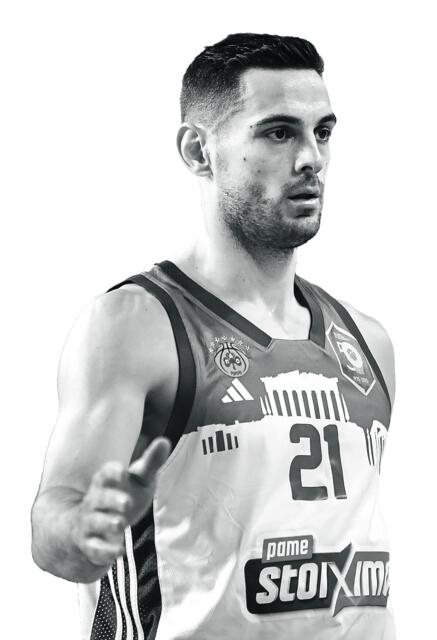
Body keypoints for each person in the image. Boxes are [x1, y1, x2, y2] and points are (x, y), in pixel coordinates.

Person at [31, 32, 396, 640]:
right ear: (198, 151)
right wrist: (82, 532)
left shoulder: (368, 343)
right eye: (278, 133)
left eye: (323, 132)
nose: (311, 157)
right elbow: (54, 524)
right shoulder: (136, 326)